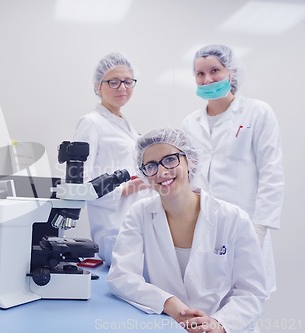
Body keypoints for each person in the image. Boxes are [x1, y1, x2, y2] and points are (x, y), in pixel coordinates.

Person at [107, 128, 266, 333]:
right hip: (169, 326)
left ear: (189, 161)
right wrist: (169, 303)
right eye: (151, 165)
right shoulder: (139, 214)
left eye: (170, 160)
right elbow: (121, 275)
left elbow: (252, 292)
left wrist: (219, 323)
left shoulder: (233, 219)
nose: (162, 172)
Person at [182, 44, 284, 297]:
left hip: (247, 223)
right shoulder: (189, 123)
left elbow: (271, 171)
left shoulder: (257, 112)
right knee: (206, 301)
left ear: (231, 72)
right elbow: (187, 175)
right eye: (200, 74)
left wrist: (260, 227)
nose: (207, 79)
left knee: (245, 301)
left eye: (215, 70)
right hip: (202, 225)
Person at [73, 52, 149, 264]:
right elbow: (80, 184)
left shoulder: (125, 125)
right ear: (98, 86)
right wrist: (127, 188)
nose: (122, 88)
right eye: (113, 82)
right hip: (112, 225)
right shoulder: (91, 123)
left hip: (134, 219)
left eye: (127, 81)